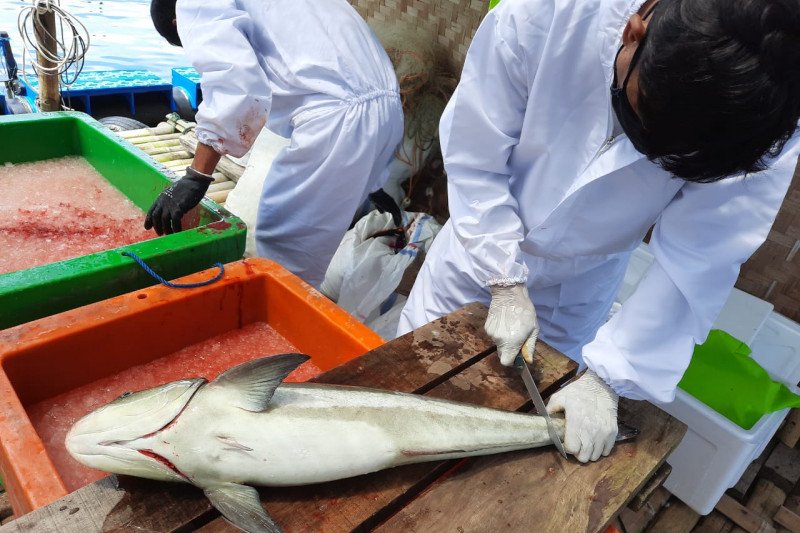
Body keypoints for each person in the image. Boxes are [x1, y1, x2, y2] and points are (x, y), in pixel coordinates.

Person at [398, 0, 800, 462]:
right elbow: (476, 149)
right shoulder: (552, 11)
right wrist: (503, 274)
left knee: (519, 434)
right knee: (410, 392)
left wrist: (611, 376)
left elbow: (701, 258)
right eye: (638, 118)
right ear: (633, 32)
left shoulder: (769, 111)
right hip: (476, 248)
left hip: (582, 283)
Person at [145, 0, 403, 288]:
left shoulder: (192, 4)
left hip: (335, 117)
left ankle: (288, 325)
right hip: (386, 103)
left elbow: (235, 87)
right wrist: (371, 176)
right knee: (299, 251)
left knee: (282, 252)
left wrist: (197, 176)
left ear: (177, 23)